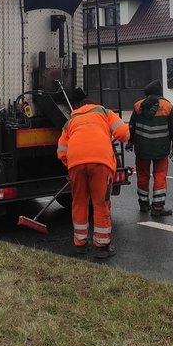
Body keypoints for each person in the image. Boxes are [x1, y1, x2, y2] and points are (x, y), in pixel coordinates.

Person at [57, 88, 130, 259]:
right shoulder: (104, 112)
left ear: (80, 107)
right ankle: (102, 246)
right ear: (94, 105)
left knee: (79, 202)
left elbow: (61, 151)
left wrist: (73, 165)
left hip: (76, 164)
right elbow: (123, 133)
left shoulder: (71, 120)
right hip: (100, 163)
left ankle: (81, 244)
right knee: (100, 203)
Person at [127, 80, 173, 217]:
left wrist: (130, 142)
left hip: (142, 149)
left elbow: (131, 127)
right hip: (161, 150)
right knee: (160, 176)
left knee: (143, 176)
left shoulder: (138, 106)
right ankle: (157, 207)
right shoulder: (167, 106)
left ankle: (144, 205)